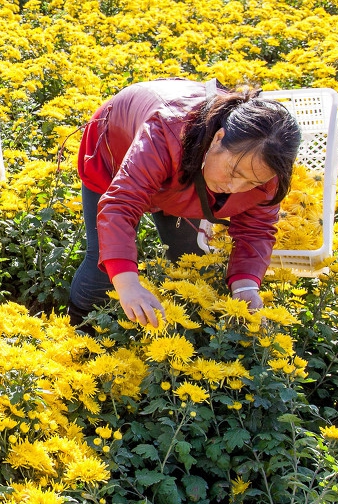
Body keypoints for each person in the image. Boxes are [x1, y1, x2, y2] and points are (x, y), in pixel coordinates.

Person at [69, 79, 302, 326]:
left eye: (251, 182)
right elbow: (121, 204)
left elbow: (256, 231)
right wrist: (128, 285)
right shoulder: (166, 131)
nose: (235, 188)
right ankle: (78, 328)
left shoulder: (267, 169)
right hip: (116, 148)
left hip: (187, 166)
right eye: (234, 172)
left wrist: (246, 287)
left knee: (190, 261)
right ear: (218, 138)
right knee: (104, 264)